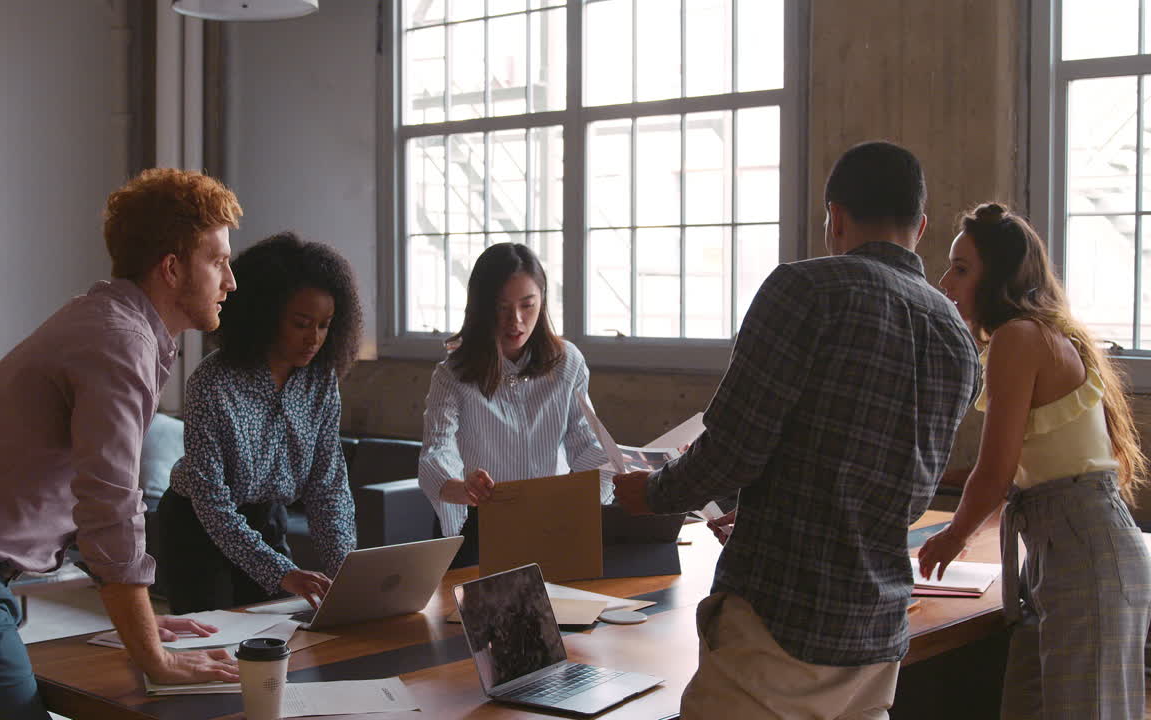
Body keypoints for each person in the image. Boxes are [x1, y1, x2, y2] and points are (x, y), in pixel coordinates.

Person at [614, 141, 981, 720]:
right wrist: (769, 507)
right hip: (876, 638)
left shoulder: (806, 290)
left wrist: (652, 494)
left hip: (781, 623)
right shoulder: (956, 337)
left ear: (835, 216)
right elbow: (891, 491)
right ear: (921, 226)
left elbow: (733, 451)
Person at [0, 168, 244, 719]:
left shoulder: (109, 321)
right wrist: (155, 656)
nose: (230, 281)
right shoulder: (120, 342)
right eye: (218, 261)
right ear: (171, 268)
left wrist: (139, 622)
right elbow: (111, 508)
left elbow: (77, 498)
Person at [917, 203, 1151, 718]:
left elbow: (995, 471)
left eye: (961, 269)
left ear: (997, 278)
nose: (945, 282)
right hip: (1062, 551)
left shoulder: (1019, 337)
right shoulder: (1036, 334)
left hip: (1085, 554)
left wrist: (954, 535)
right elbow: (1008, 468)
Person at [159, 232, 361, 614]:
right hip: (197, 526)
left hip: (266, 518)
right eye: (301, 323)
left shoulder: (320, 381)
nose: (314, 338)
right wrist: (282, 572)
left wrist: (347, 573)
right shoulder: (212, 383)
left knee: (280, 634)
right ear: (265, 315)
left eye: (324, 325)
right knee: (214, 638)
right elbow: (211, 501)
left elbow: (328, 486)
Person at [418, 242, 609, 568]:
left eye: (527, 305)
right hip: (477, 526)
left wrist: (629, 469)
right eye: (501, 307)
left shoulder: (567, 363)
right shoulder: (453, 373)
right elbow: (436, 451)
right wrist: (463, 488)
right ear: (482, 308)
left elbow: (586, 445)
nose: (516, 320)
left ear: (542, 301)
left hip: (550, 522)